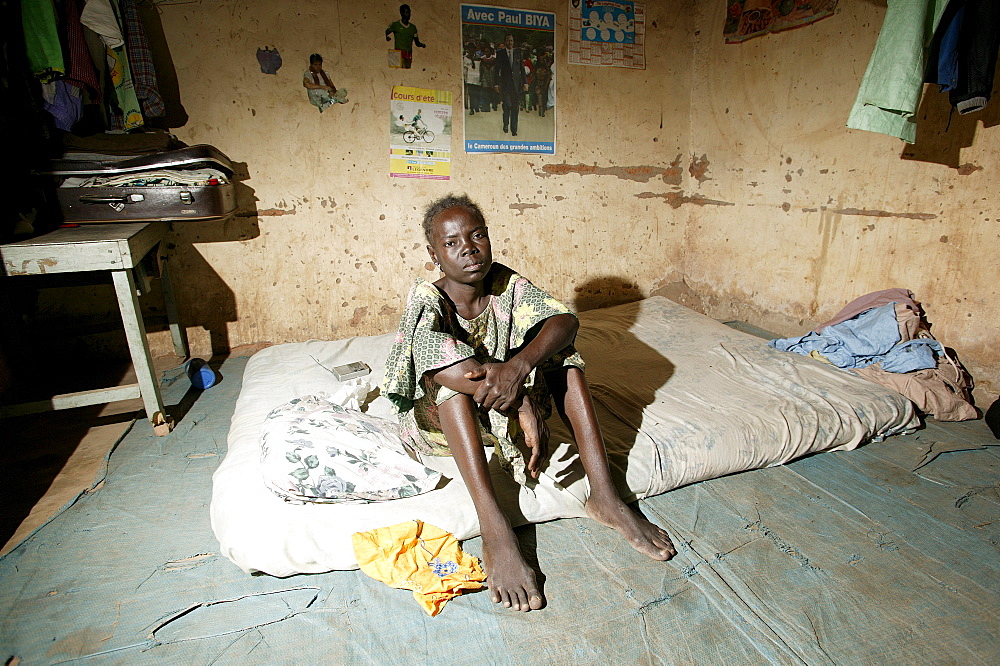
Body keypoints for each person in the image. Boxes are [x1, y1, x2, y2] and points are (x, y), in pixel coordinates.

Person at [383, 194, 676, 612]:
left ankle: (605, 496)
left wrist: (518, 368)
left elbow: (565, 321)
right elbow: (433, 361)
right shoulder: (428, 301)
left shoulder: (506, 284)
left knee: (565, 358)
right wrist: (519, 399)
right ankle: (495, 528)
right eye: (451, 243)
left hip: (499, 400)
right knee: (451, 377)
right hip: (444, 424)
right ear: (434, 255)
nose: (468, 247)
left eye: (477, 235)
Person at [494, 34, 525, 135]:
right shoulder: (500, 53)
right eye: (508, 41)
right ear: (505, 42)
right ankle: (505, 124)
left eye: (511, 41)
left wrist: (525, 82)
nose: (510, 43)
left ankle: (514, 129)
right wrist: (496, 84)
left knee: (515, 107)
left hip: (516, 85)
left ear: (513, 42)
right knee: (507, 105)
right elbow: (496, 70)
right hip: (505, 85)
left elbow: (522, 69)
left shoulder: (518, 53)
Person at [385, 4, 425, 69]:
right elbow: (386, 32)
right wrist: (387, 37)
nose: (408, 14)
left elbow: (417, 42)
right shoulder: (395, 25)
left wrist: (422, 45)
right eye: (406, 12)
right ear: (401, 13)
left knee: (406, 75)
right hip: (397, 54)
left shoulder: (413, 27)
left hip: (408, 54)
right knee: (395, 74)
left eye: (409, 12)